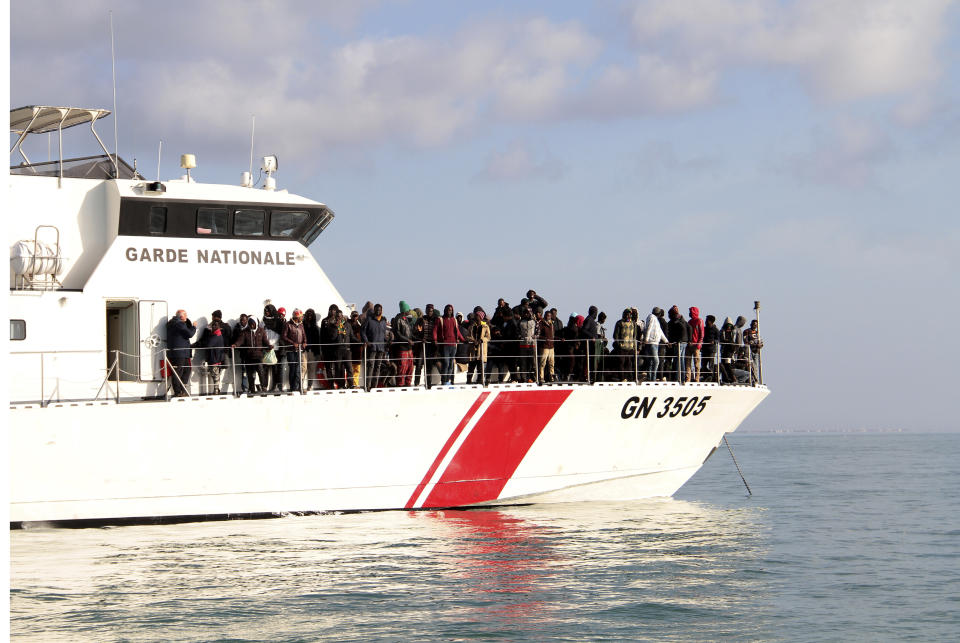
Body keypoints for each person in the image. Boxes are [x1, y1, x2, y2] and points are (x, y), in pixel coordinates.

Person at [231, 317, 267, 392]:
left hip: (258, 355)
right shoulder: (245, 332)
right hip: (249, 356)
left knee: (261, 371)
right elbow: (240, 340)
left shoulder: (261, 331)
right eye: (250, 323)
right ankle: (252, 388)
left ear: (256, 323)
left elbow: (265, 340)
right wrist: (236, 344)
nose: (251, 325)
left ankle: (264, 387)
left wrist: (269, 346)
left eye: (253, 323)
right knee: (250, 374)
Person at [166, 309, 196, 397]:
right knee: (178, 372)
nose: (186, 317)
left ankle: (182, 389)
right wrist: (194, 326)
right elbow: (190, 334)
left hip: (181, 352)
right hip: (180, 352)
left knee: (187, 370)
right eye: (185, 315)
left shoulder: (172, 323)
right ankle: (178, 392)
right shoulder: (179, 323)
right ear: (181, 316)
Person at [433, 304, 464, 385]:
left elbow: (458, 332)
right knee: (446, 362)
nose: (449, 311)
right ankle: (444, 380)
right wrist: (435, 339)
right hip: (445, 344)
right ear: (445, 310)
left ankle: (447, 381)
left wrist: (464, 340)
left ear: (452, 311)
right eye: (447, 310)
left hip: (453, 344)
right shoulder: (440, 319)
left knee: (451, 363)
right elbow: (435, 330)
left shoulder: (454, 320)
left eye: (450, 310)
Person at [362, 303, 388, 390]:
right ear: (374, 310)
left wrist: (387, 341)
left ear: (382, 311)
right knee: (371, 366)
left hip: (381, 348)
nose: (378, 311)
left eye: (379, 310)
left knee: (378, 367)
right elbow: (363, 332)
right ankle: (368, 385)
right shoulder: (369, 320)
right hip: (372, 347)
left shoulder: (384, 321)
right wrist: (366, 341)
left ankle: (375, 385)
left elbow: (384, 334)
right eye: (376, 309)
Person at [282, 308, 307, 392]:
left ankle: (297, 386)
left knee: (298, 369)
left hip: (300, 350)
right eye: (301, 316)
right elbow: (284, 336)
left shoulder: (301, 325)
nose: (302, 317)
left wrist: (304, 342)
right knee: (293, 369)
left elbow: (304, 335)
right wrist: (293, 343)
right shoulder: (288, 324)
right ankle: (292, 387)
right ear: (297, 317)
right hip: (291, 350)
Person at [199, 318, 226, 395]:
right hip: (217, 357)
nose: (213, 326)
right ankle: (216, 389)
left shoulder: (216, 335)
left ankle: (216, 390)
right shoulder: (218, 334)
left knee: (215, 374)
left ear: (218, 326)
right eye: (213, 325)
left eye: (215, 325)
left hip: (215, 358)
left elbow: (209, 344)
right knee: (216, 374)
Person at [392, 301, 415, 387]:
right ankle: (400, 384)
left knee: (410, 367)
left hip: (409, 347)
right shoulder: (398, 319)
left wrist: (418, 339)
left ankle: (408, 383)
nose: (409, 311)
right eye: (408, 309)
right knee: (402, 367)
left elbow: (410, 333)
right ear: (405, 310)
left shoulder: (406, 319)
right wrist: (407, 340)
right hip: (402, 347)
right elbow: (397, 333)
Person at [666, 305, 690, 383]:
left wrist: (679, 340)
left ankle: (679, 377)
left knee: (679, 360)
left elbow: (683, 329)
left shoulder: (677, 321)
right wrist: (689, 340)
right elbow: (689, 328)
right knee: (681, 359)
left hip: (680, 342)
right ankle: (681, 377)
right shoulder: (682, 320)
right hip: (684, 342)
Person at [643, 308, 668, 381]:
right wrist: (646, 339)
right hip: (652, 342)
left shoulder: (655, 319)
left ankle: (650, 378)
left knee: (651, 361)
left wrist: (666, 341)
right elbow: (649, 328)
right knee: (656, 361)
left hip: (654, 342)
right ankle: (652, 378)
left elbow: (660, 331)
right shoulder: (652, 318)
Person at [613, 308, 637, 381]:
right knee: (621, 363)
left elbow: (634, 336)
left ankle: (629, 378)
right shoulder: (619, 323)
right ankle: (622, 378)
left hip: (630, 348)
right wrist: (619, 344)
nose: (627, 316)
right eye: (626, 314)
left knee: (629, 364)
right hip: (622, 348)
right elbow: (615, 335)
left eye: (629, 314)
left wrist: (634, 347)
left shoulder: (633, 323)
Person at [467, 308, 491, 384]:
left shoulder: (485, 326)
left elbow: (488, 337)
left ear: (480, 317)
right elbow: (467, 336)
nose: (475, 316)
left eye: (477, 315)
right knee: (471, 367)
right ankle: (468, 381)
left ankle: (480, 381)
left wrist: (482, 340)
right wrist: (473, 340)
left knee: (480, 368)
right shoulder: (471, 326)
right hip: (473, 349)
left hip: (481, 349)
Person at [580, 306, 599, 382]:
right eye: (596, 313)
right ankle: (586, 376)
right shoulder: (588, 320)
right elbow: (583, 330)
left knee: (591, 360)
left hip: (592, 345)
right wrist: (592, 337)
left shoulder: (591, 320)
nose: (596, 315)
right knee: (588, 360)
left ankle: (590, 376)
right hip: (589, 344)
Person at [303, 308, 320, 390]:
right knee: (303, 368)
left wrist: (317, 352)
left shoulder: (315, 327)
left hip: (312, 351)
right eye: (308, 315)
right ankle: (301, 385)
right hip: (304, 350)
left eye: (311, 315)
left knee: (311, 369)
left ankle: (309, 385)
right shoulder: (302, 325)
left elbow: (318, 340)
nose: (309, 317)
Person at [538, 309, 556, 383]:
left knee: (552, 363)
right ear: (545, 316)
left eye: (549, 316)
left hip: (551, 346)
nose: (548, 317)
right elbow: (538, 335)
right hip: (544, 346)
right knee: (543, 363)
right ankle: (541, 377)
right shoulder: (541, 324)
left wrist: (560, 339)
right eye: (547, 315)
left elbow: (553, 336)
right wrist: (545, 339)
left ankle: (552, 377)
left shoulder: (552, 324)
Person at [701, 314, 720, 382]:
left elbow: (718, 339)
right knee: (703, 364)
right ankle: (705, 376)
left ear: (711, 321)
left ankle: (710, 377)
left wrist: (714, 341)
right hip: (704, 349)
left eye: (707, 320)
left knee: (711, 364)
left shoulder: (715, 330)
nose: (705, 321)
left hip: (711, 350)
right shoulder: (704, 329)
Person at [687, 307, 704, 383]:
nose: (689, 313)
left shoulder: (699, 321)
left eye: (690, 312)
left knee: (696, 363)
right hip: (689, 345)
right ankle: (688, 378)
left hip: (696, 345)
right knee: (688, 362)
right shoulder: (689, 321)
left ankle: (697, 378)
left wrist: (699, 343)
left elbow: (701, 333)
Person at [743, 319, 763, 383]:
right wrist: (754, 345)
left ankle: (755, 379)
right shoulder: (747, 331)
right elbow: (745, 341)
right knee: (751, 366)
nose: (755, 326)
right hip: (750, 351)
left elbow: (761, 342)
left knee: (756, 367)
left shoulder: (757, 333)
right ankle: (751, 379)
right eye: (754, 324)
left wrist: (760, 345)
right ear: (751, 324)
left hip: (756, 352)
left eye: (756, 325)